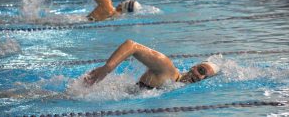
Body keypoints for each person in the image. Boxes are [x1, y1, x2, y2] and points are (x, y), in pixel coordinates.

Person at [84, 40, 220, 89]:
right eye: (201, 70)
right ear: (193, 66)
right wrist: (107, 69)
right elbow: (132, 45)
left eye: (205, 77)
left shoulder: (178, 85)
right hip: (94, 90)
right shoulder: (168, 69)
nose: (200, 77)